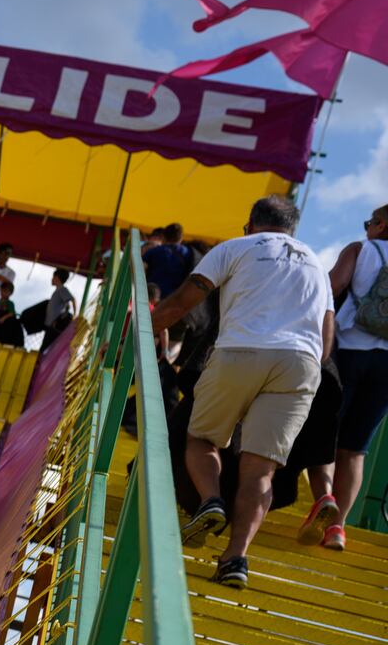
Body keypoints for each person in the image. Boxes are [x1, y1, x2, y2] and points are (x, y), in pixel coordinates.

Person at [150, 195, 334, 587]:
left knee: (201, 438)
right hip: (300, 363)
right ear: (293, 230)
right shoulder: (316, 263)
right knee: (261, 469)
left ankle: (211, 500)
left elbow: (184, 301)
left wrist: (146, 328)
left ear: (250, 223)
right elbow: (327, 335)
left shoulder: (234, 248)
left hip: (240, 351)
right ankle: (236, 558)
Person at [301, 202, 388, 551]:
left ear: (380, 224)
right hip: (387, 364)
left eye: (370, 222)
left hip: (349, 353)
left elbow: (331, 288)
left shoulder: (360, 249)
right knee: (356, 450)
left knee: (324, 432)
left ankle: (324, 498)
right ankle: (337, 529)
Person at [142, 222, 195, 299]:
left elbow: (141, 268)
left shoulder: (154, 251)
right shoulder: (189, 253)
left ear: (164, 237)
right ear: (181, 238)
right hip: (174, 298)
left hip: (152, 295)